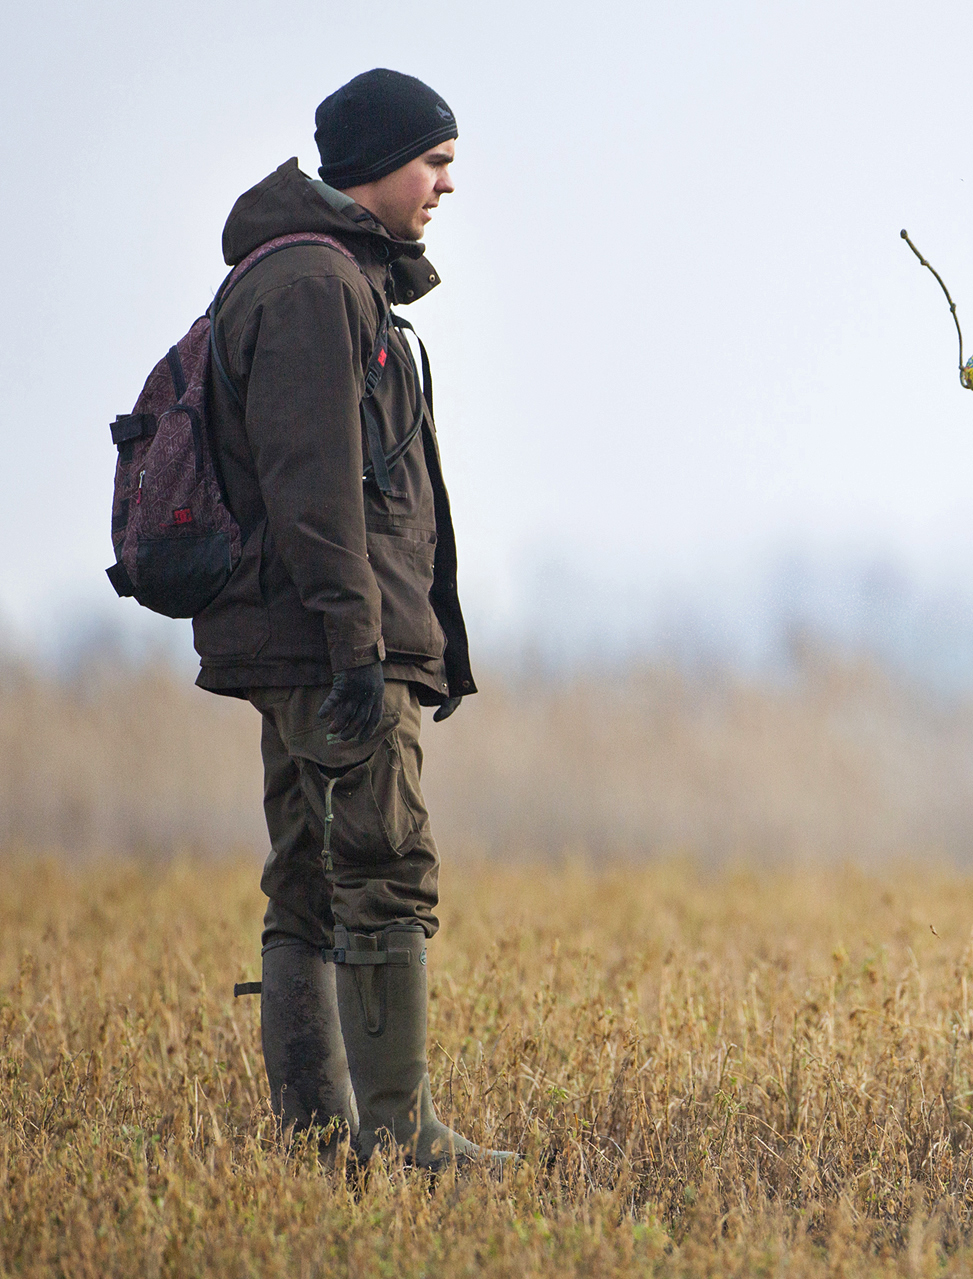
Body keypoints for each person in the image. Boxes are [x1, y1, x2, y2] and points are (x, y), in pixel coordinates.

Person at [199, 68, 508, 1169]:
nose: (446, 185)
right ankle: (400, 1136)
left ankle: (320, 1139)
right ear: (375, 164)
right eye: (435, 162)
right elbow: (315, 489)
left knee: (311, 874)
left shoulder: (313, 280)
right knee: (384, 867)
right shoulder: (317, 289)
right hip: (331, 649)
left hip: (304, 641)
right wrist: (359, 650)